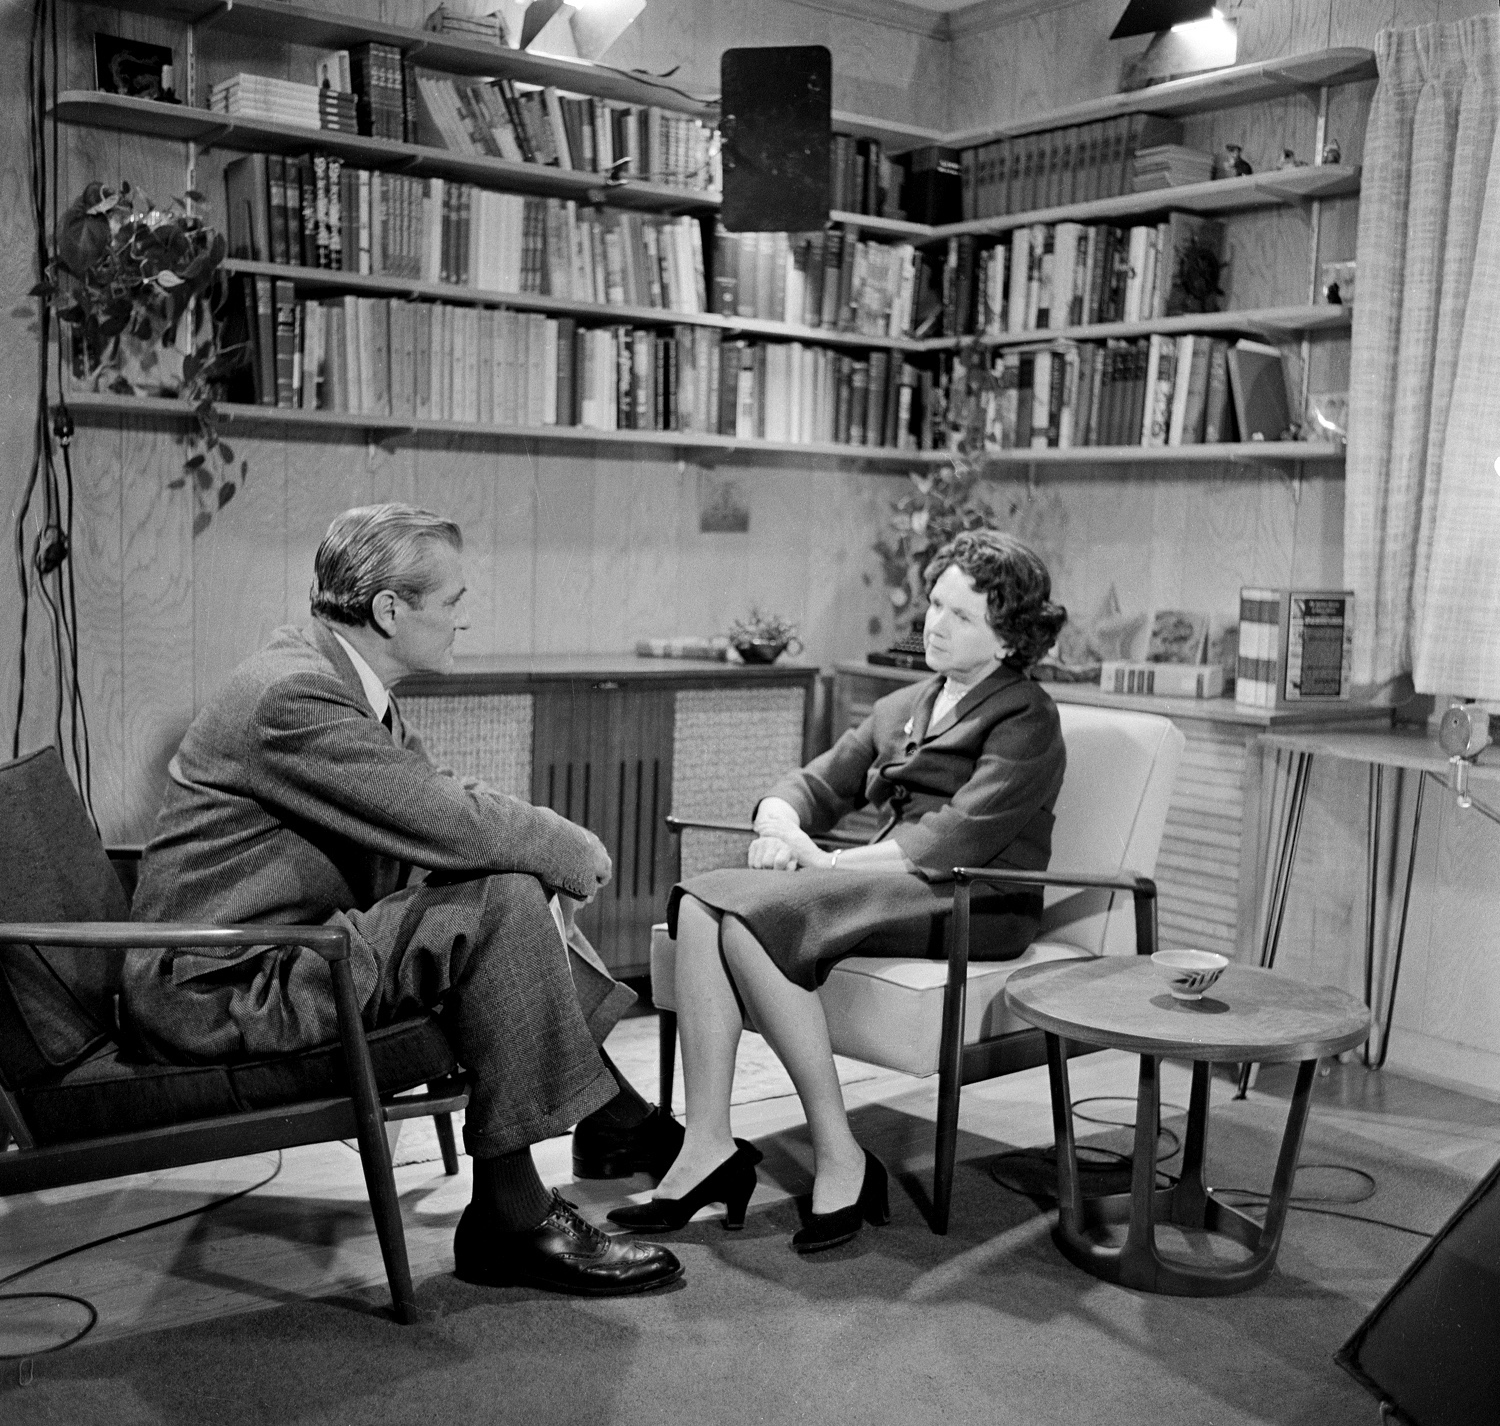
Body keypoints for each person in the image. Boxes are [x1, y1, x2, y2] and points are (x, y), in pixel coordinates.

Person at [122, 503, 684, 1297]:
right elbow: (449, 819)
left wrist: (536, 855)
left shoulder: (339, 680)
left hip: (283, 949)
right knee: (502, 899)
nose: (465, 618)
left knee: (502, 889)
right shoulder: (295, 697)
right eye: (452, 600)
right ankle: (530, 1204)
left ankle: (603, 1131)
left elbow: (437, 803)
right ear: (391, 610)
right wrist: (570, 847)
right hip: (226, 987)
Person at [609, 529, 1068, 1252]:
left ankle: (840, 1152)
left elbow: (955, 837)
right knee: (702, 901)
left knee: (754, 918)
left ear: (1009, 641)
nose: (936, 625)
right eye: (935, 604)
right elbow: (820, 781)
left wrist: (821, 868)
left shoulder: (1027, 718)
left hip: (972, 896)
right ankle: (707, 1149)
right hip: (888, 882)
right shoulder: (907, 704)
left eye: (962, 617)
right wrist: (780, 821)